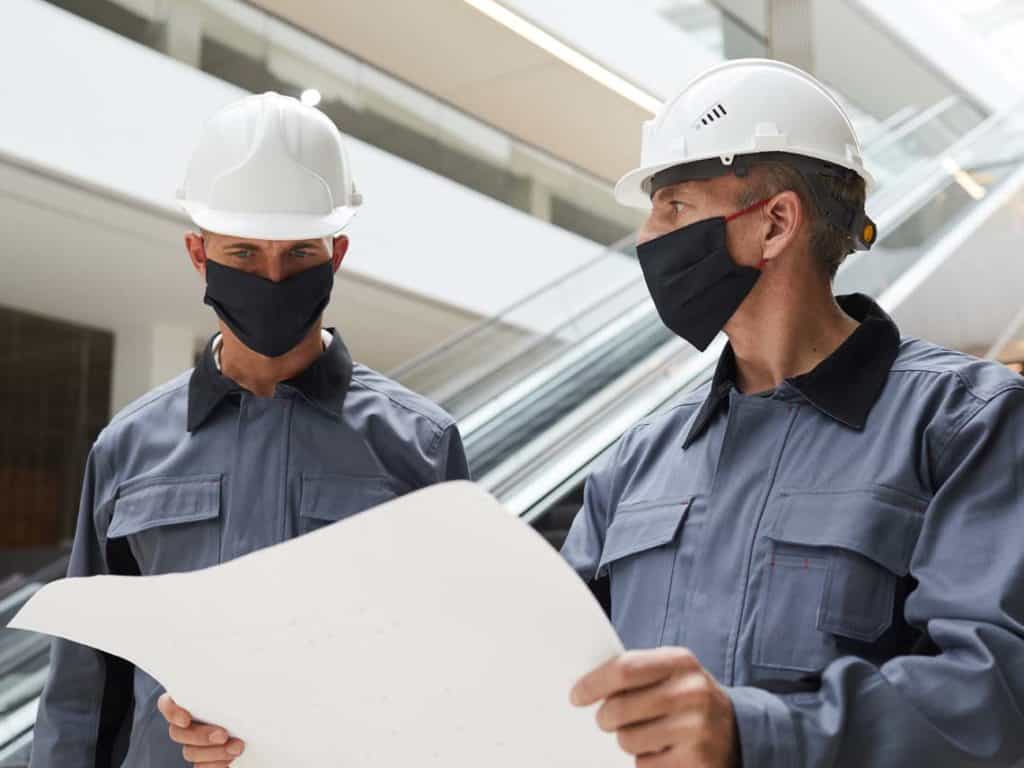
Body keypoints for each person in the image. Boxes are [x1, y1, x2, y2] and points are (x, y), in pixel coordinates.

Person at [563, 59, 1024, 767]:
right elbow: (555, 669)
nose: (648, 236)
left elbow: (993, 694)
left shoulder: (965, 424)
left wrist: (752, 734)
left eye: (675, 206)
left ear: (775, 223)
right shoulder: (640, 458)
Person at [30, 92, 469, 768]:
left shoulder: (421, 446)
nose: (271, 276)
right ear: (198, 253)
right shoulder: (127, 448)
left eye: (298, 253)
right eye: (243, 252)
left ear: (337, 252)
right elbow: (82, 692)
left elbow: (453, 675)